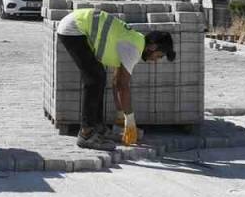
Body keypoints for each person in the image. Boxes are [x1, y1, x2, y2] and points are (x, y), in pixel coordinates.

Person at [56, 8, 175, 149]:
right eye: (159, 56)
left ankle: (99, 129)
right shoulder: (134, 48)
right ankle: (86, 134)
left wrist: (120, 116)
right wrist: (130, 121)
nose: (156, 61)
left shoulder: (135, 40)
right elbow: (122, 86)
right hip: (74, 28)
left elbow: (116, 81)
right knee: (94, 79)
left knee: (99, 76)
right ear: (153, 47)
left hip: (77, 25)